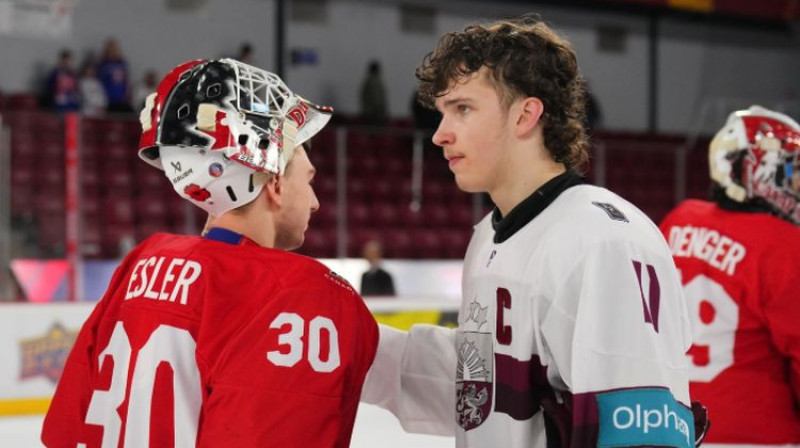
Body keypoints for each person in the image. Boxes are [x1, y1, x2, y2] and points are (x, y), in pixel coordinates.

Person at [362, 14, 707, 448]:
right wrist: (349, 342)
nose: (440, 135)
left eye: (463, 109)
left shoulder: (605, 240)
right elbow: (483, 393)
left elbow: (641, 434)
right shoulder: (489, 235)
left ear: (526, 115)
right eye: (442, 112)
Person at [41, 58, 378, 447]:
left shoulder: (140, 264)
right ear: (275, 183)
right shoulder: (308, 297)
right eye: (309, 179)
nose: (316, 202)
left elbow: (63, 433)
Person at [660, 106, 800, 445]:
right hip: (759, 433)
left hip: (674, 425)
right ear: (753, 169)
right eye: (790, 170)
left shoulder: (679, 220)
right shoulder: (785, 244)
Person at [96, 38, 131, 113]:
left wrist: (127, 93)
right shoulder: (103, 63)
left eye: (114, 49)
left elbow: (126, 80)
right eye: (110, 49)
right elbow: (98, 81)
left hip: (120, 96)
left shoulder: (121, 63)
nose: (112, 51)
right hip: (107, 97)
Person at [359, 59, 388, 125]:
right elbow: (377, 99)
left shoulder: (369, 81)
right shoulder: (374, 82)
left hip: (372, 112)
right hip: (373, 113)